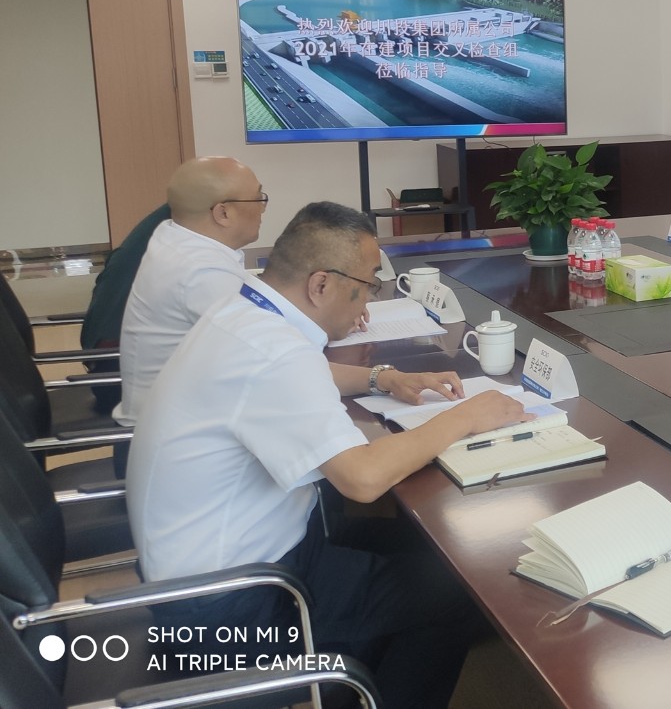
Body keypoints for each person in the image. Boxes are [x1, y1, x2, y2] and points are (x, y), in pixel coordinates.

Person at [127, 202, 527, 709]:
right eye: (367, 285)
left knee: (432, 550)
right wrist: (466, 416)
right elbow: (362, 479)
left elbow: (301, 373)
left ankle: (355, 680)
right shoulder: (274, 353)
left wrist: (383, 377)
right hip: (233, 610)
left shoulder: (245, 312)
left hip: (216, 573)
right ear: (320, 284)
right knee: (457, 591)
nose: (368, 302)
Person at [117, 157, 446, 426]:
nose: (264, 208)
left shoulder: (178, 237)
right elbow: (285, 363)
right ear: (223, 212)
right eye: (259, 198)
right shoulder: (201, 274)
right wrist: (379, 373)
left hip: (188, 413)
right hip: (184, 428)